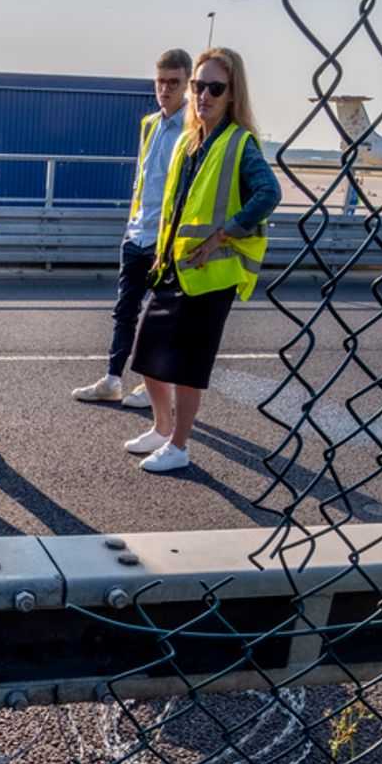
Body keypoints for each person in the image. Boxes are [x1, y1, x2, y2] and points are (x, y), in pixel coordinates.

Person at [126, 46, 282, 473]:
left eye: (216, 87)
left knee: (188, 367)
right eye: (199, 86)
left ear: (232, 94)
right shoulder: (189, 142)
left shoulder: (239, 143)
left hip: (212, 274)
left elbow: (269, 193)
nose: (204, 95)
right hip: (175, 266)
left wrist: (222, 235)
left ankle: (179, 445)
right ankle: (161, 429)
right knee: (147, 354)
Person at [72, 48, 192, 409]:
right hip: (137, 235)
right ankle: (112, 379)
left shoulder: (193, 129)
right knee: (124, 311)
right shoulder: (150, 124)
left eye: (174, 82)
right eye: (160, 81)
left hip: (166, 241)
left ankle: (151, 385)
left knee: (162, 319)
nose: (165, 89)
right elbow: (143, 179)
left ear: (187, 84)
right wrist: (130, 226)